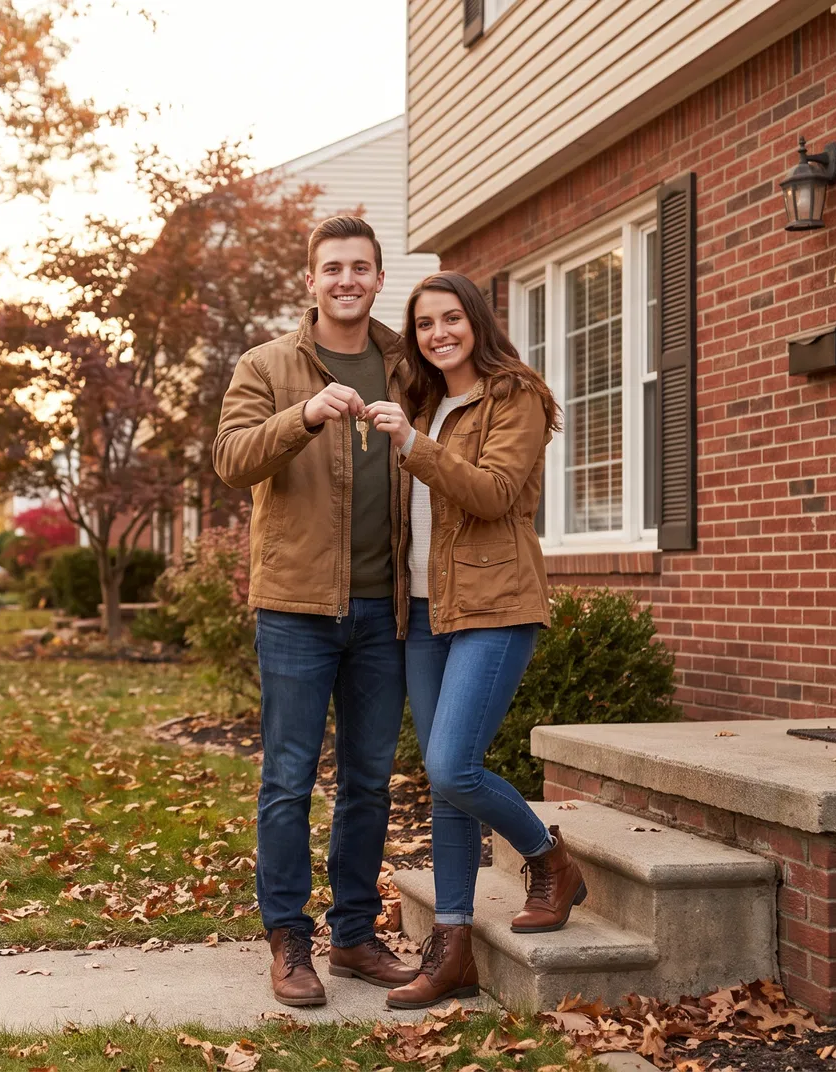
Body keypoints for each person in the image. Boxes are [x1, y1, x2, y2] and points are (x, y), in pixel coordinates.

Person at [362, 271, 587, 1010]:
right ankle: (452, 947)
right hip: (424, 614)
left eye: (450, 318)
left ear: (476, 321)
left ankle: (550, 859)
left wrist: (413, 443)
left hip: (495, 605)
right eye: (424, 324)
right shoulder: (425, 399)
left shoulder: (513, 394)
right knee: (446, 786)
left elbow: (492, 493)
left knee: (454, 767)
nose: (438, 334)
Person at [212, 215, 417, 1008]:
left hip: (383, 610)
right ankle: (289, 940)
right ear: (310, 280)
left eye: (360, 268)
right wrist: (301, 418)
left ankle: (358, 937)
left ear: (377, 277)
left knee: (368, 781)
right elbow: (231, 461)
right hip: (296, 609)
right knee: (289, 780)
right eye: (332, 268)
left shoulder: (405, 364)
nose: (346, 280)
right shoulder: (267, 365)